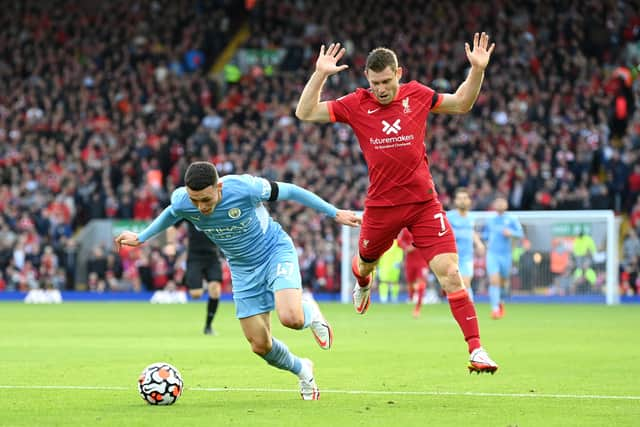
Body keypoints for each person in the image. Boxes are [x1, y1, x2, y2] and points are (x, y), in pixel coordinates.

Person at [295, 33, 498, 373]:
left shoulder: (418, 95)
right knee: (365, 264)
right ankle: (363, 282)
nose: (381, 89)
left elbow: (462, 103)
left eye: (386, 81)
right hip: (381, 207)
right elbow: (305, 112)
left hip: (423, 204)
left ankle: (476, 350)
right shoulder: (355, 103)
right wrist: (320, 74)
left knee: (450, 273)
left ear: (399, 73)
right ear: (367, 80)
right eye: (375, 83)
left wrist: (477, 70)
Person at [115, 162, 361, 400]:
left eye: (206, 200)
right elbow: (171, 213)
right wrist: (142, 237)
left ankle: (310, 311)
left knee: (291, 319)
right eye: (195, 200)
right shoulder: (183, 200)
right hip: (242, 269)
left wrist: (334, 212)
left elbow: (291, 191)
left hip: (274, 251)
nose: (200, 207)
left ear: (218, 188)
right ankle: (303, 370)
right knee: (260, 345)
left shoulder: (245, 188)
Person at [484, 196, 524, 319]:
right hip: (492, 254)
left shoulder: (511, 219)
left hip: (506, 255)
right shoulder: (490, 220)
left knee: (503, 282)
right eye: (498, 202)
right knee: (494, 280)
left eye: (502, 202)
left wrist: (511, 233)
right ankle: (495, 309)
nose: (500, 204)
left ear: (506, 204)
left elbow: (520, 233)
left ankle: (500, 301)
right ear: (494, 205)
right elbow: (485, 235)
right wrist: (486, 243)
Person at [184, 222, 223, 335]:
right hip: (194, 256)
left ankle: (208, 326)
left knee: (215, 290)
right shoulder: (189, 210)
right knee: (196, 294)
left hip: (212, 256)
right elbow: (173, 224)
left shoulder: (216, 211)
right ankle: (189, 278)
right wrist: (170, 243)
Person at [447, 188, 485, 302]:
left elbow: (472, 232)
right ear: (455, 201)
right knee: (456, 286)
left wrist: (479, 243)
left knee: (466, 282)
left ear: (469, 200)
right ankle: (463, 309)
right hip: (451, 257)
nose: (462, 201)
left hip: (467, 256)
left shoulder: (471, 218)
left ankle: (469, 308)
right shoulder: (449, 217)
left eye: (465, 198)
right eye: (459, 198)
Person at [397, 228, 430, 318]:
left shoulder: (424, 228)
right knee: (410, 284)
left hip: (423, 262)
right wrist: (406, 248)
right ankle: (411, 297)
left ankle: (417, 308)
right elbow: (399, 241)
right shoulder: (405, 229)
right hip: (410, 262)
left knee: (421, 283)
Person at [376, 239, 403, 303]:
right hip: (383, 265)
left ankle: (394, 298)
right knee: (383, 282)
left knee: (394, 282)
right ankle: (383, 299)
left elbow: (400, 251)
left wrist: (398, 261)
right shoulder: (382, 240)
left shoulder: (397, 241)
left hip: (394, 266)